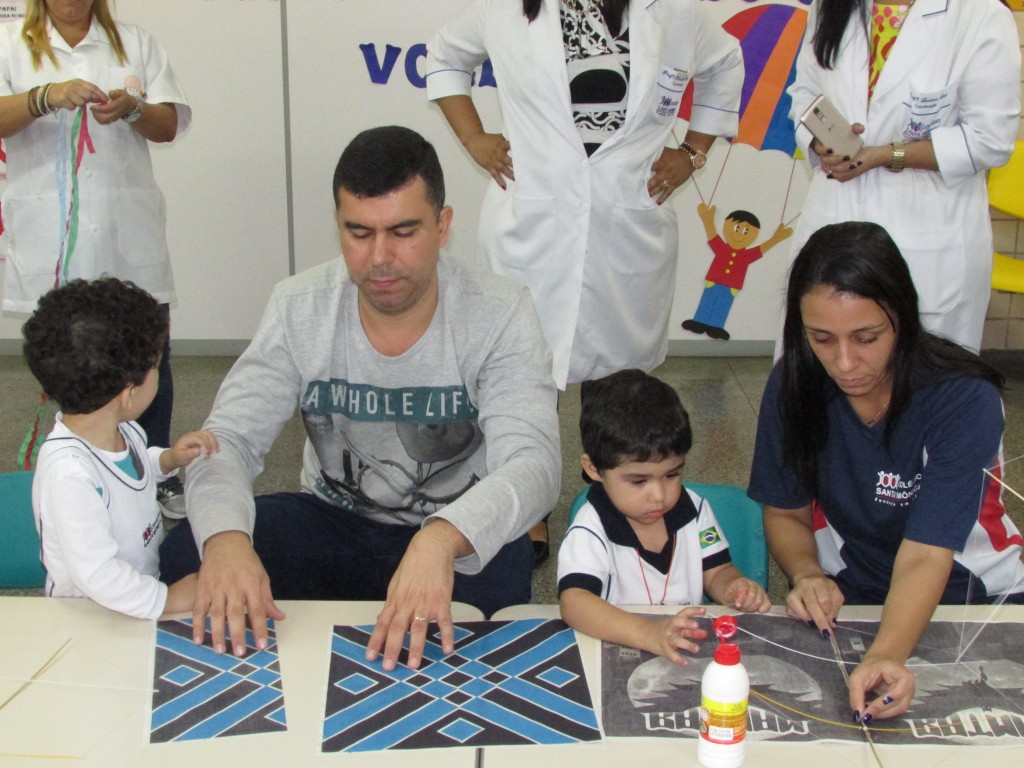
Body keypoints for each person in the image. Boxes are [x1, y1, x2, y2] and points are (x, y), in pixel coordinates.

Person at [159, 126, 561, 670]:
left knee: (496, 613)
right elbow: (227, 438)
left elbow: (534, 463)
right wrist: (227, 540)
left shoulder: (501, 312)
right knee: (192, 549)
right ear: (339, 226)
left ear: (443, 226)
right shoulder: (299, 305)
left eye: (403, 231)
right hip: (334, 522)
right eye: (359, 233)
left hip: (454, 533)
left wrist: (440, 539)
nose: (380, 258)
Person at [748, 221, 1024, 723]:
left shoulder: (963, 397)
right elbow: (786, 512)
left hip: (974, 597)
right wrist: (807, 573)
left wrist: (887, 653)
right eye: (821, 338)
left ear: (902, 318)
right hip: (854, 593)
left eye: (867, 337)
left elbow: (926, 554)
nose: (844, 362)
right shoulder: (793, 383)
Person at [426, 0, 744, 388]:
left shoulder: (671, 8)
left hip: (627, 221)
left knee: (618, 386)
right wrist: (473, 137)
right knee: (522, 371)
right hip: (532, 222)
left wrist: (692, 152)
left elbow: (725, 62)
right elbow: (445, 55)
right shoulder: (505, 6)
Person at [0, 0, 192, 513]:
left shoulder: (135, 42)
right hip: (51, 234)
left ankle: (153, 468)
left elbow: (168, 124)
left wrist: (132, 108)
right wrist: (42, 97)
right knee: (68, 359)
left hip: (125, 231)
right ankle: (72, 471)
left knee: (148, 353)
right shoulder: (9, 43)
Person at [786, 0, 1020, 353]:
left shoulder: (980, 14)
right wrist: (821, 141)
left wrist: (886, 154)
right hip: (834, 214)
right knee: (825, 364)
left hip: (927, 232)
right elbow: (804, 93)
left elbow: (990, 140)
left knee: (921, 372)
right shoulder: (830, 6)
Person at [22, 278, 217, 620]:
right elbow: (98, 575)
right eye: (156, 367)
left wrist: (166, 459)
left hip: (136, 592)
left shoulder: (122, 430)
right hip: (91, 617)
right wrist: (165, 600)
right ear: (129, 393)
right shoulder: (70, 475)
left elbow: (130, 466)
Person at [558, 369, 770, 663]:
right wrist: (648, 633)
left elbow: (717, 572)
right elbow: (575, 603)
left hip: (682, 652)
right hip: (616, 653)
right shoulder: (590, 528)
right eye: (639, 481)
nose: (659, 495)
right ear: (594, 468)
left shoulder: (694, 510)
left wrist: (733, 587)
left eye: (672, 475)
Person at [682, 203, 793, 341]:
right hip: (714, 280)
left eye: (746, 231)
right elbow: (713, 236)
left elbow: (761, 249)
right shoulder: (722, 248)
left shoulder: (746, 256)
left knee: (723, 305)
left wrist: (776, 239)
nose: (739, 234)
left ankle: (716, 326)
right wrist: (708, 221)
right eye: (736, 228)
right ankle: (699, 321)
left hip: (731, 286)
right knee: (707, 300)